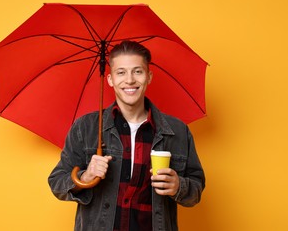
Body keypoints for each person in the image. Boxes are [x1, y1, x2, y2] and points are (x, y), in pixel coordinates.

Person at [48, 40, 205, 231]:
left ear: (149, 76)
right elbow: (57, 182)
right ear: (110, 79)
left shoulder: (177, 131)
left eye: (137, 71)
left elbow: (196, 188)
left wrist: (179, 186)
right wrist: (85, 176)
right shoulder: (86, 127)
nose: (129, 80)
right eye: (121, 72)